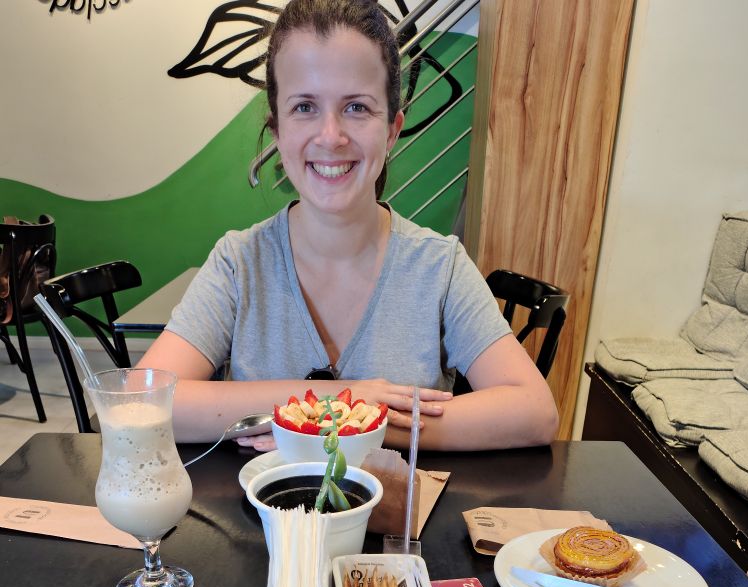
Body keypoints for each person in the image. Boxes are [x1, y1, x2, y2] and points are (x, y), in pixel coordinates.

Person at [139, 0, 558, 451]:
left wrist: (345, 425)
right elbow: (145, 405)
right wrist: (334, 399)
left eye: (357, 107)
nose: (331, 136)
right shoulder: (239, 263)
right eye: (304, 107)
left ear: (392, 129)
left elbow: (534, 410)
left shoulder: (440, 266)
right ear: (277, 129)